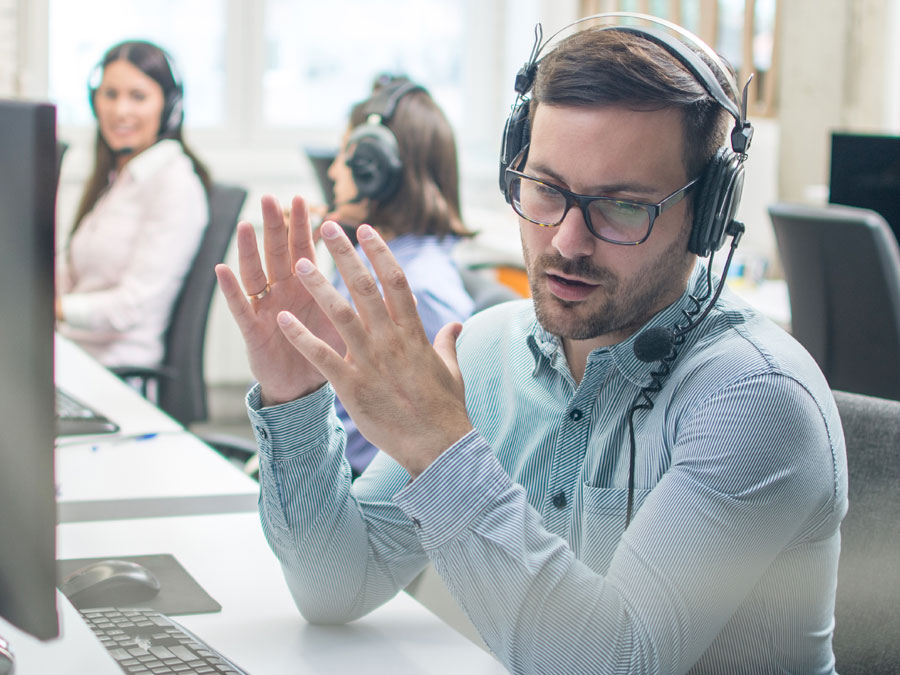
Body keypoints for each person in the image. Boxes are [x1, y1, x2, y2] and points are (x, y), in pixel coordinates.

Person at [215, 17, 847, 675]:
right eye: (545, 188)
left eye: (622, 205)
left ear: (707, 215)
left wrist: (442, 450)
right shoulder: (490, 350)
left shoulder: (757, 397)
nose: (568, 241)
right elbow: (335, 585)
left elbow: (615, 662)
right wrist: (294, 396)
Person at [301, 75, 475, 476]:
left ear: (374, 169)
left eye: (347, 156)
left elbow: (427, 449)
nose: (334, 174)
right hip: (333, 465)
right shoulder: (373, 261)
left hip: (363, 488)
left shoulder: (421, 291)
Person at [56, 40, 211, 369]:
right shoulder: (117, 179)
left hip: (115, 370)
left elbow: (131, 306)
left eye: (137, 96)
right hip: (72, 356)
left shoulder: (175, 184)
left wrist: (54, 308)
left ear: (168, 107)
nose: (119, 110)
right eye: (110, 94)